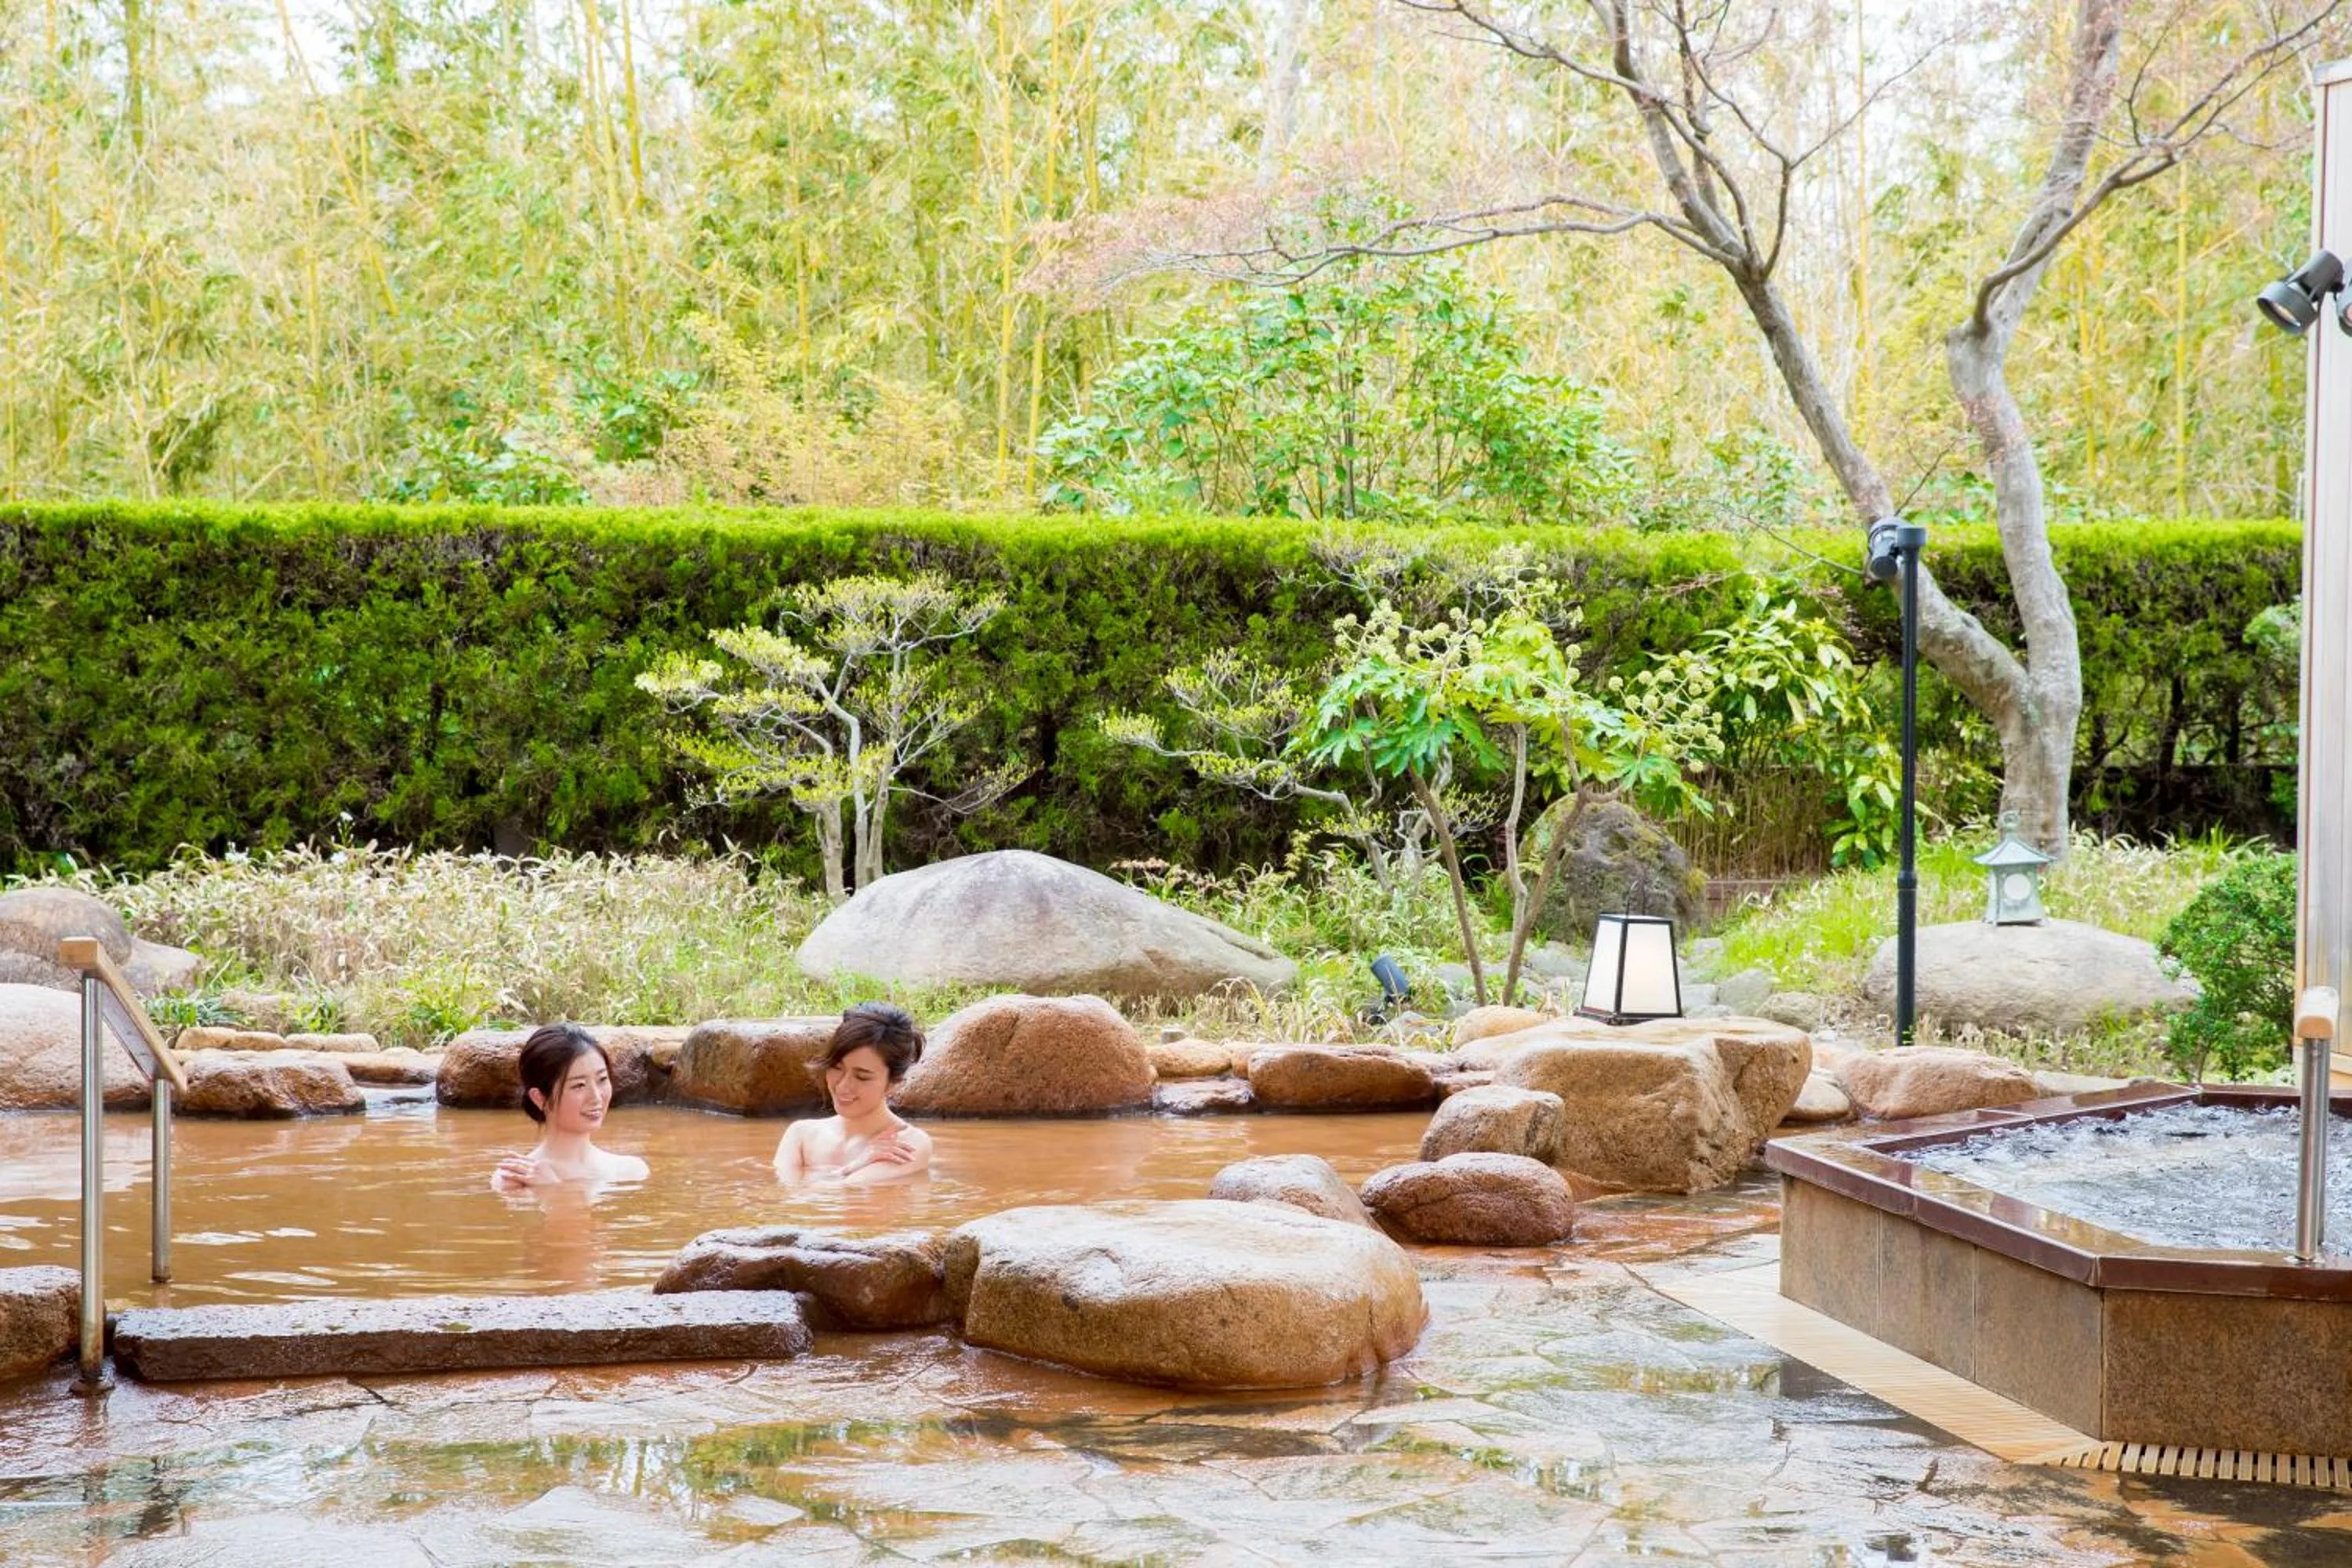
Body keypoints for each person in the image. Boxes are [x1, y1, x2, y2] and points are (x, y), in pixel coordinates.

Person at [775, 1002, 934, 1185]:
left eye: (862, 1077)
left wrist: (840, 1173)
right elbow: (781, 1197)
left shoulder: (908, 1144)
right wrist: (856, 1165)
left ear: (894, 1082)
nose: (843, 1086)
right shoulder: (801, 1134)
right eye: (836, 1068)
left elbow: (847, 1194)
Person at [489, 1023, 650, 1192]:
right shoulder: (514, 1180)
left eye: (602, 1079)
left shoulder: (631, 1172)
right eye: (579, 1085)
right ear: (540, 1098)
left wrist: (554, 1189)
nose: (596, 1097)